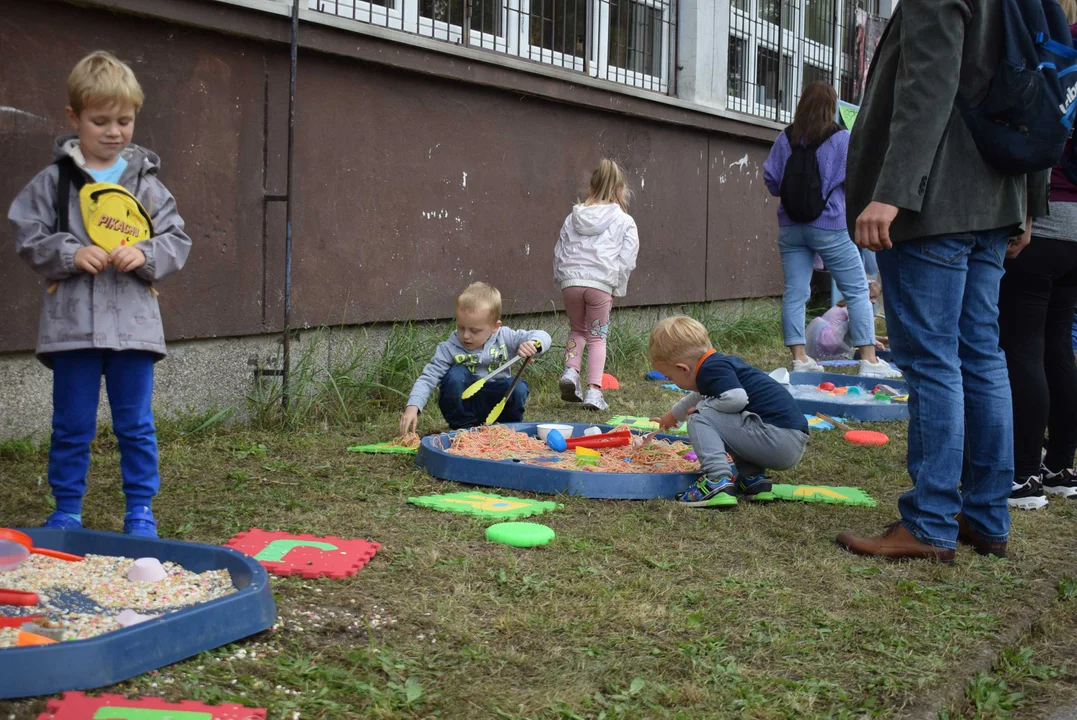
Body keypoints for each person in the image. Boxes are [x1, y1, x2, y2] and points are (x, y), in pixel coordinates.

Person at [835, 0, 1049, 562]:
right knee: (981, 355)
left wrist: (892, 192)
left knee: (934, 361)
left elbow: (927, 84)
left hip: (935, 202)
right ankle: (986, 518)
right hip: (996, 196)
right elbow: (1042, 87)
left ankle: (929, 523)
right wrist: (1027, 202)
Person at [8, 51, 192, 538]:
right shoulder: (55, 182)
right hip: (72, 330)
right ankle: (67, 508)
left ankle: (140, 511)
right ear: (74, 118)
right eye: (100, 120)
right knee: (71, 424)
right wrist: (69, 253)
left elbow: (177, 240)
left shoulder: (149, 188)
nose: (113, 131)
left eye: (124, 121)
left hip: (134, 330)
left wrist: (147, 254)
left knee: (135, 425)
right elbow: (27, 233)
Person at [763, 82, 901, 379]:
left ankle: (800, 359)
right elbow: (855, 180)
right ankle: (869, 360)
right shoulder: (841, 138)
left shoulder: (784, 138)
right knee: (857, 290)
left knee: (795, 293)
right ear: (832, 107)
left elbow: (772, 179)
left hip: (790, 228)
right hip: (830, 227)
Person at [998, 4, 1077, 510]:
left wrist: (1024, 212)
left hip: (1047, 217)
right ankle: (1061, 468)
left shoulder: (1058, 40)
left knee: (1022, 346)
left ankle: (1024, 473)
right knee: (1059, 345)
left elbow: (1036, 126)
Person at [648, 316, 808, 508]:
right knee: (726, 420)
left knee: (701, 417)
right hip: (786, 438)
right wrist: (671, 416)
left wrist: (699, 411)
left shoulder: (712, 370)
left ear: (683, 368)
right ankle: (753, 480)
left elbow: (736, 398)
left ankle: (717, 481)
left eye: (670, 376)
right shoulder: (716, 366)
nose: (671, 380)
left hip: (777, 439)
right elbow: (699, 396)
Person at [400, 282, 552, 432]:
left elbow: (543, 336)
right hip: (464, 404)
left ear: (494, 327)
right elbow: (428, 378)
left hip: (496, 399)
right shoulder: (449, 348)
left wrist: (533, 344)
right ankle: (463, 429)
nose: (466, 335)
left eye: (474, 330)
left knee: (518, 387)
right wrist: (413, 406)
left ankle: (506, 429)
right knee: (455, 376)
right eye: (460, 327)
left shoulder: (505, 337)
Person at [554, 159, 640, 412]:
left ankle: (571, 371)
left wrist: (562, 278)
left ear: (590, 189)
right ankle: (594, 390)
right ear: (621, 192)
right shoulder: (625, 221)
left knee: (577, 331)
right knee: (597, 337)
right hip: (600, 284)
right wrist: (616, 285)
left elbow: (560, 250)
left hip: (571, 282)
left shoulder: (573, 217)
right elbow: (628, 258)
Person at [805, 279, 887, 361]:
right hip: (829, 340)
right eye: (871, 297)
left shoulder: (843, 306)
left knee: (854, 325)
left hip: (824, 339)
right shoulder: (850, 308)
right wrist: (876, 342)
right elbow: (859, 329)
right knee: (854, 325)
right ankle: (864, 353)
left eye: (876, 298)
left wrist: (879, 339)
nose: (874, 302)